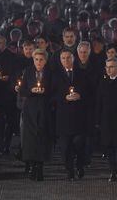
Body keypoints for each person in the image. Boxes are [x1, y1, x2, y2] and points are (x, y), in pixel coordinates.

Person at [52, 49, 89, 180]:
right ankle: (69, 170)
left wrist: (80, 95)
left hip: (79, 115)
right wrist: (64, 98)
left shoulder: (83, 73)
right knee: (65, 146)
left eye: (68, 58)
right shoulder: (55, 75)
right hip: (63, 116)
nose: (66, 60)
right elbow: (52, 94)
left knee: (79, 143)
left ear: (73, 58)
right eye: (63, 58)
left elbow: (89, 91)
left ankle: (79, 165)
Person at [19, 49, 54, 181]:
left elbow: (54, 89)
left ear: (45, 61)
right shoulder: (28, 72)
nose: (38, 62)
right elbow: (22, 90)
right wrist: (31, 90)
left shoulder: (50, 73)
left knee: (42, 138)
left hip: (44, 109)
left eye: (41, 60)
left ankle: (40, 167)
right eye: (36, 60)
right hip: (30, 110)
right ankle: (32, 165)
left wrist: (45, 91)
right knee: (30, 139)